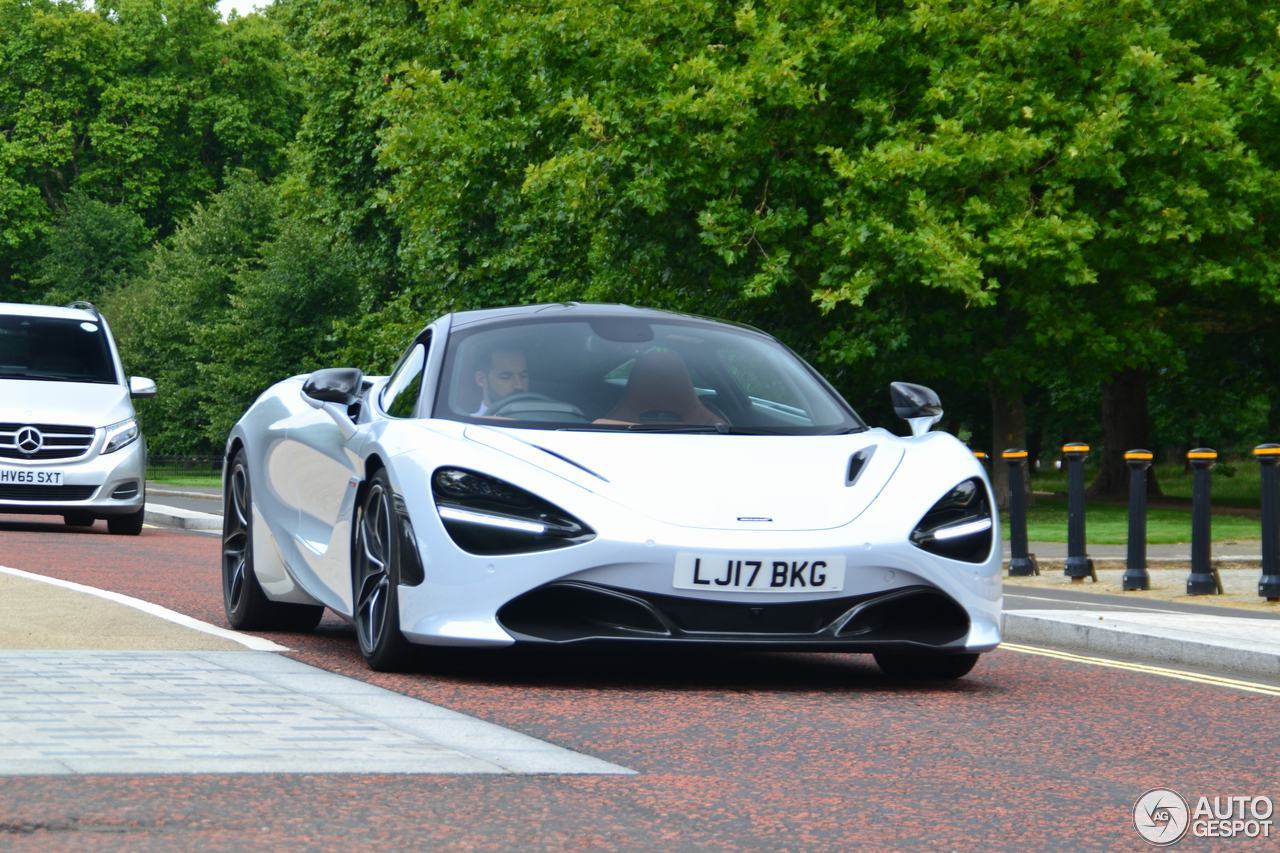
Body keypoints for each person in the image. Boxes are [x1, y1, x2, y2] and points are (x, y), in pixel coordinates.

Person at [473, 348, 529, 415]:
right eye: (506, 377)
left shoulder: (541, 418)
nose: (519, 385)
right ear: (481, 379)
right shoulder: (466, 424)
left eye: (523, 376)